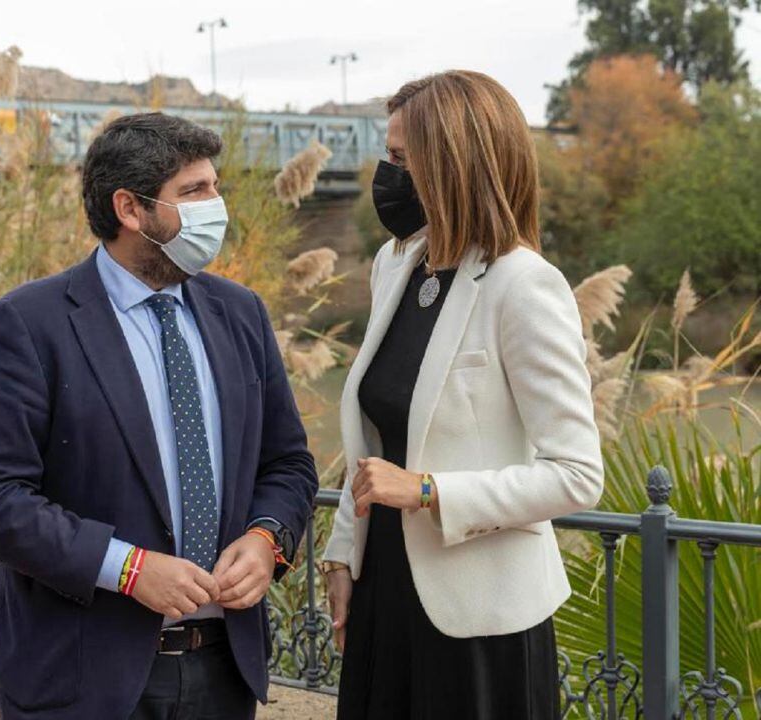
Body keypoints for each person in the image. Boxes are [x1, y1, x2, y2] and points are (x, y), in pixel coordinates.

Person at [0, 111, 317, 720]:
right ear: (130, 209)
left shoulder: (240, 313)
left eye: (215, 187)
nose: (216, 206)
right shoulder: (29, 323)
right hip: (80, 679)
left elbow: (288, 463)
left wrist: (266, 539)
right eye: (194, 192)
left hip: (223, 671)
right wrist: (128, 569)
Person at [322, 70, 604, 719]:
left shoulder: (524, 286)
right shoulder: (394, 265)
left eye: (399, 159)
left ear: (450, 165)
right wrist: (342, 556)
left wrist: (427, 491)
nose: (384, 175)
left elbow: (577, 476)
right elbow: (374, 442)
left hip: (479, 619)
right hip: (382, 592)